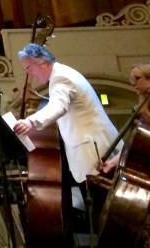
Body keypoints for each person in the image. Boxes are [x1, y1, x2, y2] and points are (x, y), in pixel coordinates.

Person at [11, 44, 120, 182]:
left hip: (93, 151)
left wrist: (30, 121)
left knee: (99, 200)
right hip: (96, 146)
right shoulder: (64, 73)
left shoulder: (60, 78)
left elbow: (58, 106)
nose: (29, 74)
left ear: (43, 63)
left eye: (29, 68)